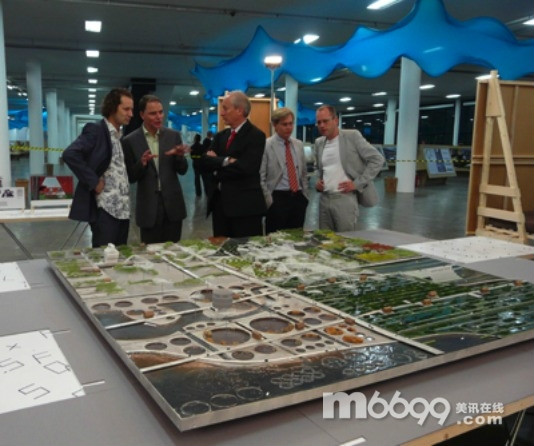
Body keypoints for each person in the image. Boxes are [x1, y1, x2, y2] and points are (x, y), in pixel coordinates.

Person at [63, 88, 133, 248]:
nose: (130, 114)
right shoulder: (97, 130)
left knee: (120, 256)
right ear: (112, 108)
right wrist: (93, 181)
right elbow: (70, 154)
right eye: (126, 109)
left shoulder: (119, 136)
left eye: (132, 109)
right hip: (105, 210)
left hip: (123, 210)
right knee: (104, 256)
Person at [121, 94, 188, 244]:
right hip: (148, 208)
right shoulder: (130, 141)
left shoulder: (173, 136)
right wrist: (142, 164)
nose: (158, 117)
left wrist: (179, 157)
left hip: (173, 206)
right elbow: (131, 177)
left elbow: (182, 170)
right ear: (142, 115)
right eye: (153, 113)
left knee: (174, 251)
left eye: (161, 112)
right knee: (150, 253)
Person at [202, 91, 266, 238]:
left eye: (225, 108)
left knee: (245, 249)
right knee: (221, 248)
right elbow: (204, 162)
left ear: (239, 110)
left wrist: (216, 168)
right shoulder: (221, 136)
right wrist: (226, 161)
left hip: (245, 209)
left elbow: (245, 168)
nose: (221, 113)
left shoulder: (256, 136)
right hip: (220, 207)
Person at [315, 105, 384, 232]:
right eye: (319, 122)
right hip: (324, 199)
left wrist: (357, 183)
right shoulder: (319, 143)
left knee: (345, 239)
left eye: (325, 121)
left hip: (345, 199)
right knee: (324, 239)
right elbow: (318, 167)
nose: (322, 125)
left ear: (335, 120)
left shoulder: (352, 136)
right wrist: (318, 181)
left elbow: (377, 159)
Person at [260, 107, 309, 233]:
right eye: (284, 124)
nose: (289, 127)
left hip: (298, 198)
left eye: (291, 124)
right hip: (277, 198)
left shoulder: (298, 144)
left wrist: (305, 196)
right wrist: (269, 201)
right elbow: (261, 177)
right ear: (275, 125)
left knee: (297, 237)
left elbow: (303, 173)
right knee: (276, 238)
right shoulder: (266, 145)